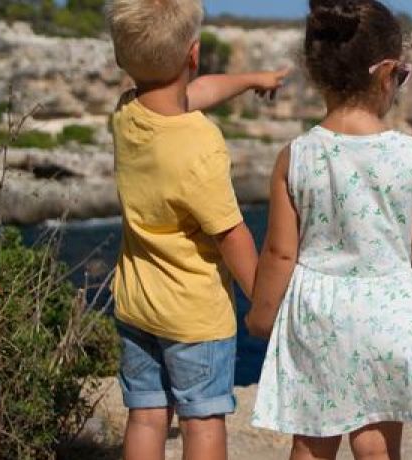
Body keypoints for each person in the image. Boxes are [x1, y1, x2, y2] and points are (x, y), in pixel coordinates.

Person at [245, 0, 412, 458]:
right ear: (386, 75)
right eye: (402, 77)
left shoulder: (295, 155)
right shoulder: (411, 155)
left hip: (317, 311)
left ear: (318, 74)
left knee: (312, 443)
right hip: (390, 312)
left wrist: (262, 314)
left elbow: (279, 254)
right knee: (377, 446)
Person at [104, 0, 287, 458]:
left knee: (146, 416)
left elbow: (194, 92)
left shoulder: (126, 114)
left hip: (137, 307)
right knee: (202, 422)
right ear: (194, 53)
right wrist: (263, 305)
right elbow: (232, 236)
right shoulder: (200, 146)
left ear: (120, 58)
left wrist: (249, 81)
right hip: (194, 318)